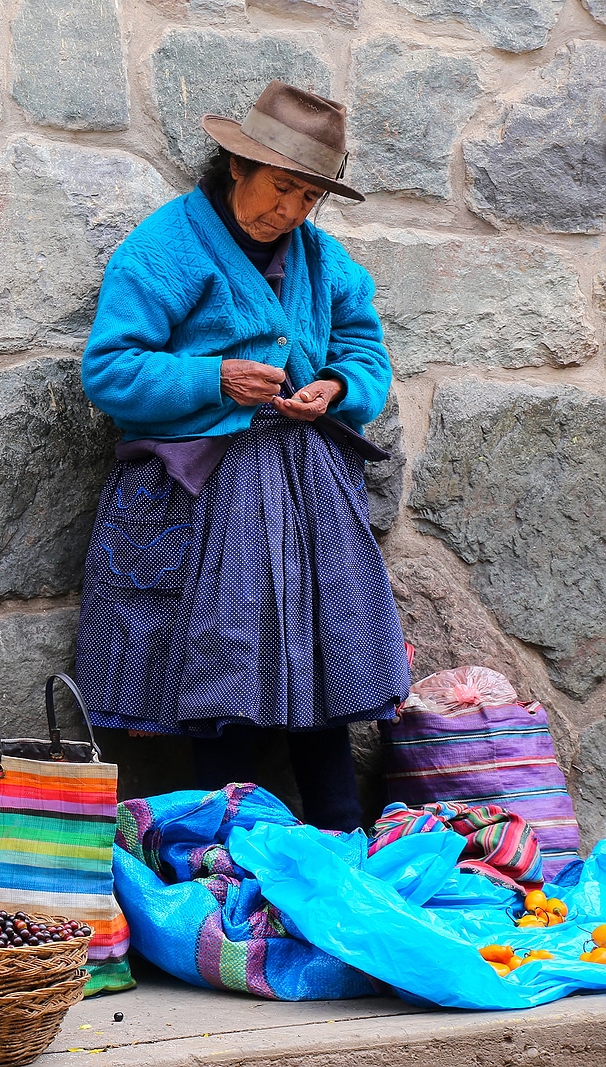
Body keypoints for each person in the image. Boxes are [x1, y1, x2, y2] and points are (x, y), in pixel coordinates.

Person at [74, 82, 410, 831]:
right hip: (206, 500)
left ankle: (338, 851)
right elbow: (109, 370)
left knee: (322, 668)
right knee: (223, 674)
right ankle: (225, 872)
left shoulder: (325, 262)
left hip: (307, 495)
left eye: (307, 197)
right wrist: (214, 376)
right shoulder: (165, 248)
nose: (289, 210)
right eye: (280, 187)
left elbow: (365, 348)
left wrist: (336, 384)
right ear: (236, 165)